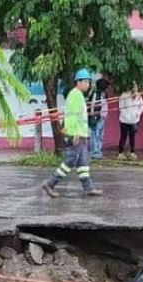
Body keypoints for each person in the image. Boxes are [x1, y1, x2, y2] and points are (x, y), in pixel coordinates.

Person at [42, 69, 102, 197]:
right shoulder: (75, 95)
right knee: (70, 161)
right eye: (85, 82)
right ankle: (50, 183)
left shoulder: (79, 95)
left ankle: (88, 188)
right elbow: (72, 117)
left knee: (83, 163)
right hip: (75, 135)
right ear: (78, 82)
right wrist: (75, 134)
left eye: (88, 82)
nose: (87, 84)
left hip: (81, 135)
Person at [117, 86, 143, 160]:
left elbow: (141, 107)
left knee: (133, 137)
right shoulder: (124, 96)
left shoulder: (139, 97)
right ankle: (120, 153)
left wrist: (137, 113)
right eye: (134, 91)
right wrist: (126, 116)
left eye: (136, 90)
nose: (135, 93)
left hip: (135, 120)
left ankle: (132, 152)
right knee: (123, 136)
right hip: (124, 120)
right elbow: (121, 107)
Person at [87, 78, 110, 159]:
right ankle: (95, 152)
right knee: (95, 134)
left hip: (102, 117)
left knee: (100, 134)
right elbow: (92, 104)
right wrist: (92, 115)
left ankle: (98, 150)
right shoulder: (95, 94)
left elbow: (105, 105)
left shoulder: (104, 94)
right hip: (96, 116)